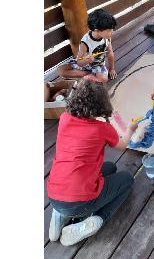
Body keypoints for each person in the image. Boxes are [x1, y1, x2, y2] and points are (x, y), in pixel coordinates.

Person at [47, 77, 138, 246]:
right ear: (102, 105)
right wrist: (130, 130)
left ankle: (59, 215)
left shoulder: (65, 118)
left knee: (110, 167)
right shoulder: (102, 128)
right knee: (127, 179)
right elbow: (123, 145)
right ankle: (94, 220)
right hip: (80, 201)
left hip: (54, 195)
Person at [57, 8, 117, 83]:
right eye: (109, 30)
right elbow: (79, 62)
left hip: (98, 65)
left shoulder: (107, 38)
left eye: (112, 29)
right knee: (61, 70)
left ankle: (87, 77)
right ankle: (88, 75)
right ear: (96, 30)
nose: (112, 32)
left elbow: (110, 53)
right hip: (85, 65)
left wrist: (111, 69)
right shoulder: (85, 42)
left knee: (104, 79)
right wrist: (86, 60)